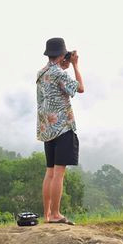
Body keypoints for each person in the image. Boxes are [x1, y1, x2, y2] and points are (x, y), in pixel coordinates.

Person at [36, 37, 85, 224]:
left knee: (49, 172)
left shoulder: (42, 73)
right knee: (59, 173)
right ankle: (57, 214)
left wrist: (63, 65)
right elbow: (80, 88)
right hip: (63, 127)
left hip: (47, 127)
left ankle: (47, 214)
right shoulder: (59, 73)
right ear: (62, 54)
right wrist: (75, 65)